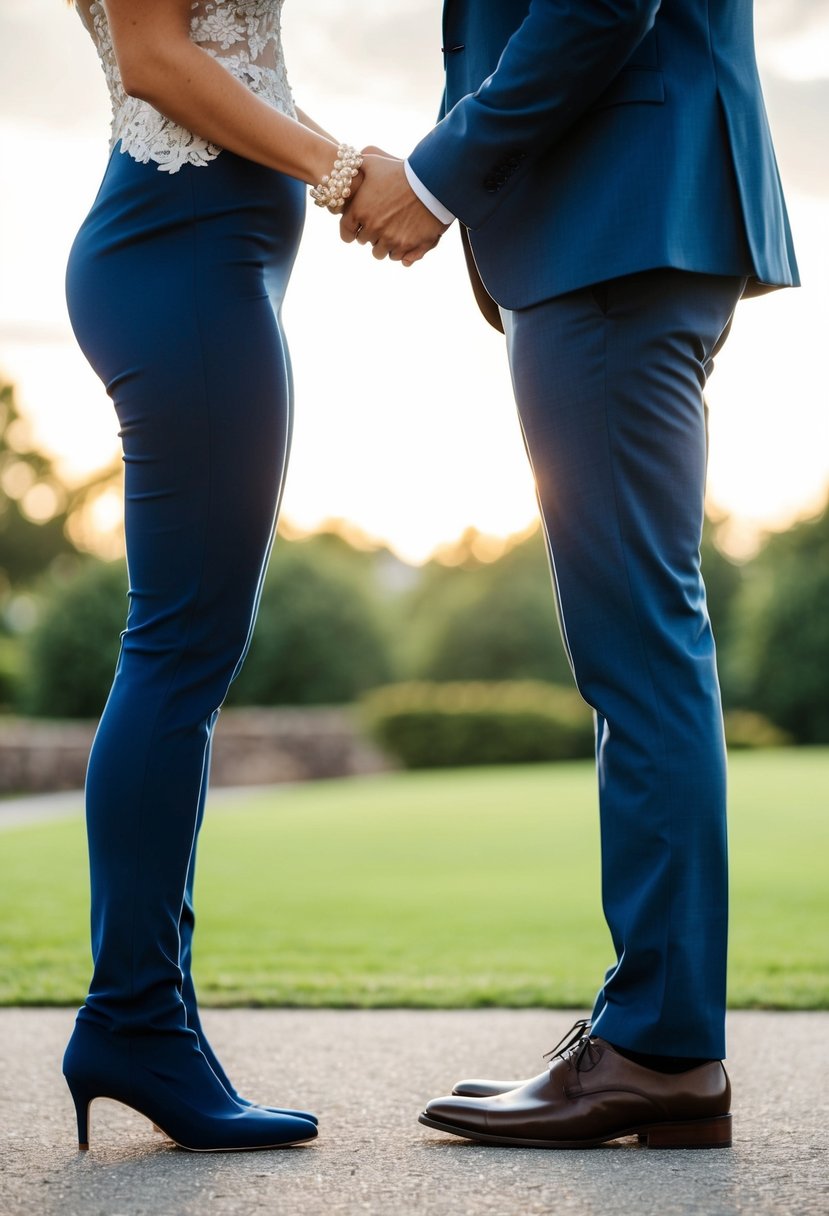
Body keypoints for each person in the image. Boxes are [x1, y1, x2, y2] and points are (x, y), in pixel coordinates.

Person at [342, 0, 799, 1149]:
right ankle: (659, 1035)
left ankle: (657, 1046)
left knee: (636, 644)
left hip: (613, 213)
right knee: (640, 638)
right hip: (626, 216)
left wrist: (440, 175)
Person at [62, 0, 373, 1153]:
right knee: (178, 650)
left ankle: (143, 1015)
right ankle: (135, 1019)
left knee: (188, 650)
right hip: (180, 258)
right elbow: (155, 57)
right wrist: (343, 173)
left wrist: (357, 169)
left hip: (202, 260)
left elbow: (233, 68)